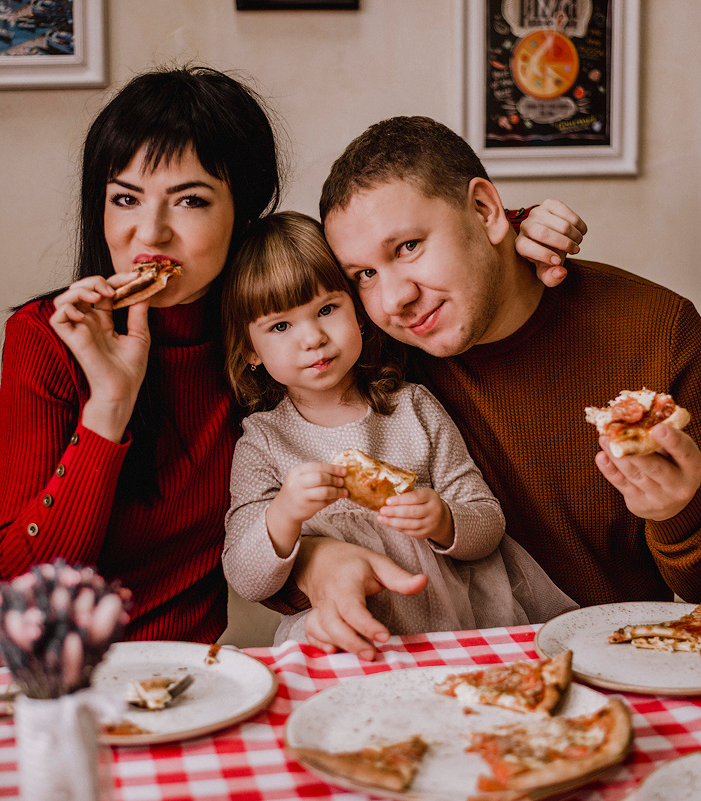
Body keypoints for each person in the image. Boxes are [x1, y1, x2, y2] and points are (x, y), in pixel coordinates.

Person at [0, 66, 589, 671]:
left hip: (181, 681)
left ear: (242, 214)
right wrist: (109, 405)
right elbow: (27, 579)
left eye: (190, 201)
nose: (151, 233)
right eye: (125, 198)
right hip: (28, 679)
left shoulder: (271, 337)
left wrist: (515, 229)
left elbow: (398, 283)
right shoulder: (49, 337)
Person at [284, 116, 701, 660]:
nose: (392, 298)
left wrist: (681, 511)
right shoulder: (369, 355)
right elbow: (252, 512)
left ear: (484, 210)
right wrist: (314, 562)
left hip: (611, 663)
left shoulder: (657, 332)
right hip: (420, 666)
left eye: (407, 247)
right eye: (363, 275)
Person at [219, 212, 577, 644]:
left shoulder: (412, 407)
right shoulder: (263, 442)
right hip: (342, 642)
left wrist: (444, 519)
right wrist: (285, 513)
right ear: (249, 351)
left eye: (327, 309)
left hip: (455, 630)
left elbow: (487, 524)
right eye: (280, 326)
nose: (312, 337)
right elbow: (245, 577)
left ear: (360, 314)